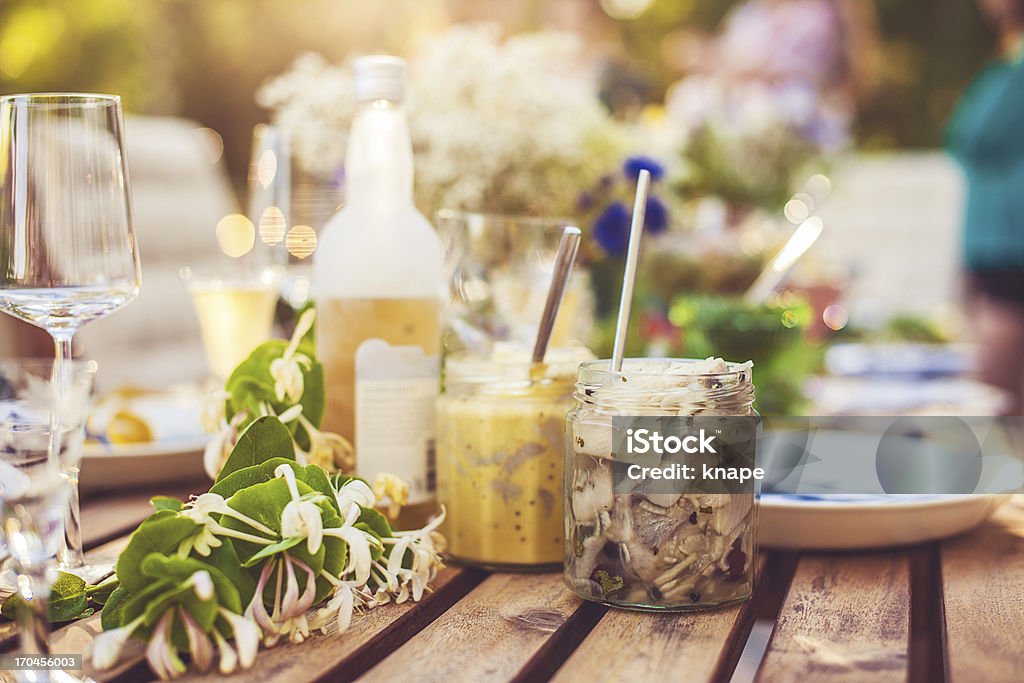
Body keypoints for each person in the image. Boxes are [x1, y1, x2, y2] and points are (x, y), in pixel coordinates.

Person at [947, 0, 1024, 415]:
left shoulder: (1016, 68)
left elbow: (972, 134)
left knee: (994, 403)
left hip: (1009, 246)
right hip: (996, 244)